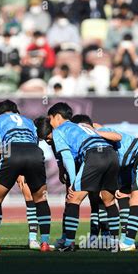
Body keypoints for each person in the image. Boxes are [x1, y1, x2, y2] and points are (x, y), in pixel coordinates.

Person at [45, 103, 120, 252]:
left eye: (50, 119)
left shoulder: (59, 130)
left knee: (73, 199)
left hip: (94, 156)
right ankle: (114, 242)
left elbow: (67, 158)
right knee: (109, 201)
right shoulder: (83, 126)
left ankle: (69, 243)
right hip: (111, 155)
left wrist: (73, 182)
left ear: (58, 117)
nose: (50, 123)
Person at [0, 100, 52, 253]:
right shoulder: (29, 121)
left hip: (11, 150)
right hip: (34, 152)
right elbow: (33, 144)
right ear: (16, 112)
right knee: (41, 199)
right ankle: (45, 243)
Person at [93, 118, 138, 251]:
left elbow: (114, 135)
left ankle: (128, 242)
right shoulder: (102, 140)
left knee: (136, 200)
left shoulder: (98, 133)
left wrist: (92, 131)